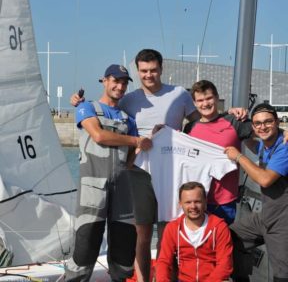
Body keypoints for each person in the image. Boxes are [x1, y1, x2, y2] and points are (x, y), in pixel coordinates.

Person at [70, 50, 247, 282]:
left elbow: (203, 119)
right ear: (137, 72)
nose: (149, 75)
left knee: (168, 232)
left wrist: (229, 114)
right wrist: (79, 104)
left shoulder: (180, 94)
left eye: (153, 70)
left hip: (172, 171)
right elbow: (107, 107)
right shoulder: (129, 98)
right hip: (138, 171)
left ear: (161, 69)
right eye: (143, 71)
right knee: (140, 235)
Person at [64, 64, 152, 282]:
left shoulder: (128, 119)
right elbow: (99, 136)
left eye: (124, 82)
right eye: (115, 80)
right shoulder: (87, 108)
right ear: (104, 81)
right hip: (93, 188)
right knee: (86, 242)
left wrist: (145, 143)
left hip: (123, 189)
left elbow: (130, 159)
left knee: (124, 249)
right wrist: (135, 140)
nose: (120, 86)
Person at [225, 103, 288, 282]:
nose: (263, 127)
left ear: (277, 122)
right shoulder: (265, 145)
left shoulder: (284, 146)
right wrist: (233, 115)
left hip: (283, 221)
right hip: (266, 216)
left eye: (268, 122)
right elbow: (252, 144)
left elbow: (265, 179)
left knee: (282, 276)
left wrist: (238, 156)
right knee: (228, 238)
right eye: (258, 123)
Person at [183, 80, 254, 225]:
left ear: (216, 98)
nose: (205, 104)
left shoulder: (234, 121)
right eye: (200, 100)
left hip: (225, 200)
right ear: (195, 103)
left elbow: (264, 131)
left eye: (209, 98)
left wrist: (283, 134)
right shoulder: (189, 128)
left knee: (223, 244)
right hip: (196, 200)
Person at [156, 181, 233, 282]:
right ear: (180, 204)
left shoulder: (219, 227)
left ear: (205, 202)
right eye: (188, 202)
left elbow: (225, 264)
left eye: (197, 201)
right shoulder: (172, 228)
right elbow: (163, 261)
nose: (193, 206)